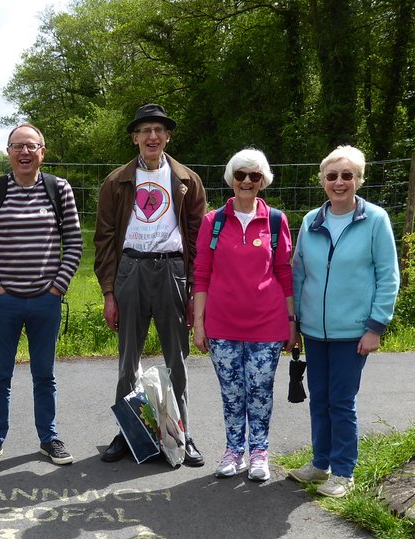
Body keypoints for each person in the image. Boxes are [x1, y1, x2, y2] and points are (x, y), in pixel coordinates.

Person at [94, 103, 207, 467]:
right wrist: (109, 292)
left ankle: (182, 434)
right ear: (134, 138)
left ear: (168, 136)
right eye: (145, 131)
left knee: (177, 359)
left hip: (172, 271)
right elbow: (104, 240)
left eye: (159, 130)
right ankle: (127, 433)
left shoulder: (187, 179)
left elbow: (198, 240)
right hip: (131, 270)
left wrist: (193, 292)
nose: (152, 136)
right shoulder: (116, 181)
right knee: (128, 360)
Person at [0, 123, 83, 467]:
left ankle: (48, 439)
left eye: (31, 147)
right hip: (5, 302)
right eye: (17, 146)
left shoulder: (58, 188)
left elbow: (74, 243)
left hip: (46, 300)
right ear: (8, 152)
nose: (25, 153)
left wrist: (57, 288)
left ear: (42, 153)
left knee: (44, 374)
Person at [287, 145, 399, 498]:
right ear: (322, 180)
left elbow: (388, 276)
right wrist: (296, 323)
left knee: (341, 401)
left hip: (354, 333)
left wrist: (375, 327)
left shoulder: (375, 220)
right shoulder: (311, 221)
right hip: (314, 332)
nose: (339, 182)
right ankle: (320, 465)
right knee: (319, 399)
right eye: (332, 175)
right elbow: (299, 274)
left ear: (359, 180)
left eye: (347, 176)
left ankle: (344, 472)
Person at [192, 148, 295, 481]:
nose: (247, 181)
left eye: (254, 175)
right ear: (231, 179)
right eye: (240, 175)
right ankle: (234, 451)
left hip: (267, 324)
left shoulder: (276, 221)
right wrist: (198, 323)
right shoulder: (213, 221)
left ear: (263, 180)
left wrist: (292, 323)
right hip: (221, 325)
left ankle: (259, 453)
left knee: (260, 391)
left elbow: (284, 273)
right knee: (232, 392)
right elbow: (201, 273)